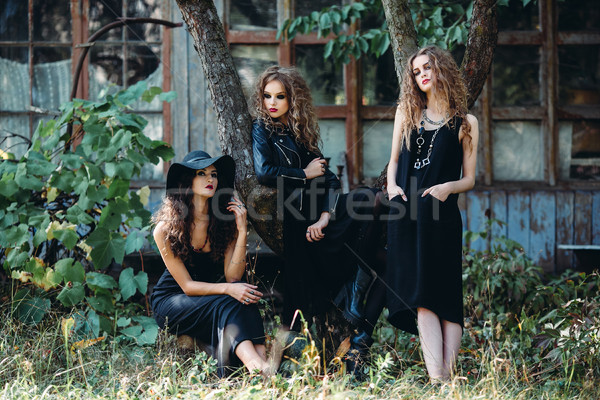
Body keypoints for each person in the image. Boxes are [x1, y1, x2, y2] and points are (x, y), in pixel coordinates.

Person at [251, 65, 386, 375]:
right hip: (298, 221)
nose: (272, 103)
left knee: (370, 199)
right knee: (297, 299)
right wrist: (303, 173)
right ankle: (280, 366)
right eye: (267, 96)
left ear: (293, 99)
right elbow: (263, 173)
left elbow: (332, 183)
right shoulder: (262, 128)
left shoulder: (302, 132)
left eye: (280, 96)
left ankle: (356, 302)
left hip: (321, 220)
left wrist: (325, 216)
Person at [385, 45, 479, 381]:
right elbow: (394, 161)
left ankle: (449, 379)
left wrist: (447, 188)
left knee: (448, 298)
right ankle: (437, 380)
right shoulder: (406, 114)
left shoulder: (465, 123)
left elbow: (469, 178)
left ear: (441, 69)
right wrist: (392, 188)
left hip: (443, 219)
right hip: (408, 218)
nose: (422, 74)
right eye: (416, 71)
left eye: (428, 67)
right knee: (421, 297)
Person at [151, 150, 272, 377]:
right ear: (187, 181)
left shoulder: (223, 222)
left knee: (245, 297)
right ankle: (257, 367)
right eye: (202, 173)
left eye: (214, 174)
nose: (211, 179)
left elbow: (233, 278)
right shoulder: (165, 229)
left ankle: (263, 366)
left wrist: (243, 230)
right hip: (173, 301)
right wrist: (229, 289)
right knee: (229, 299)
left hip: (209, 298)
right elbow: (187, 286)